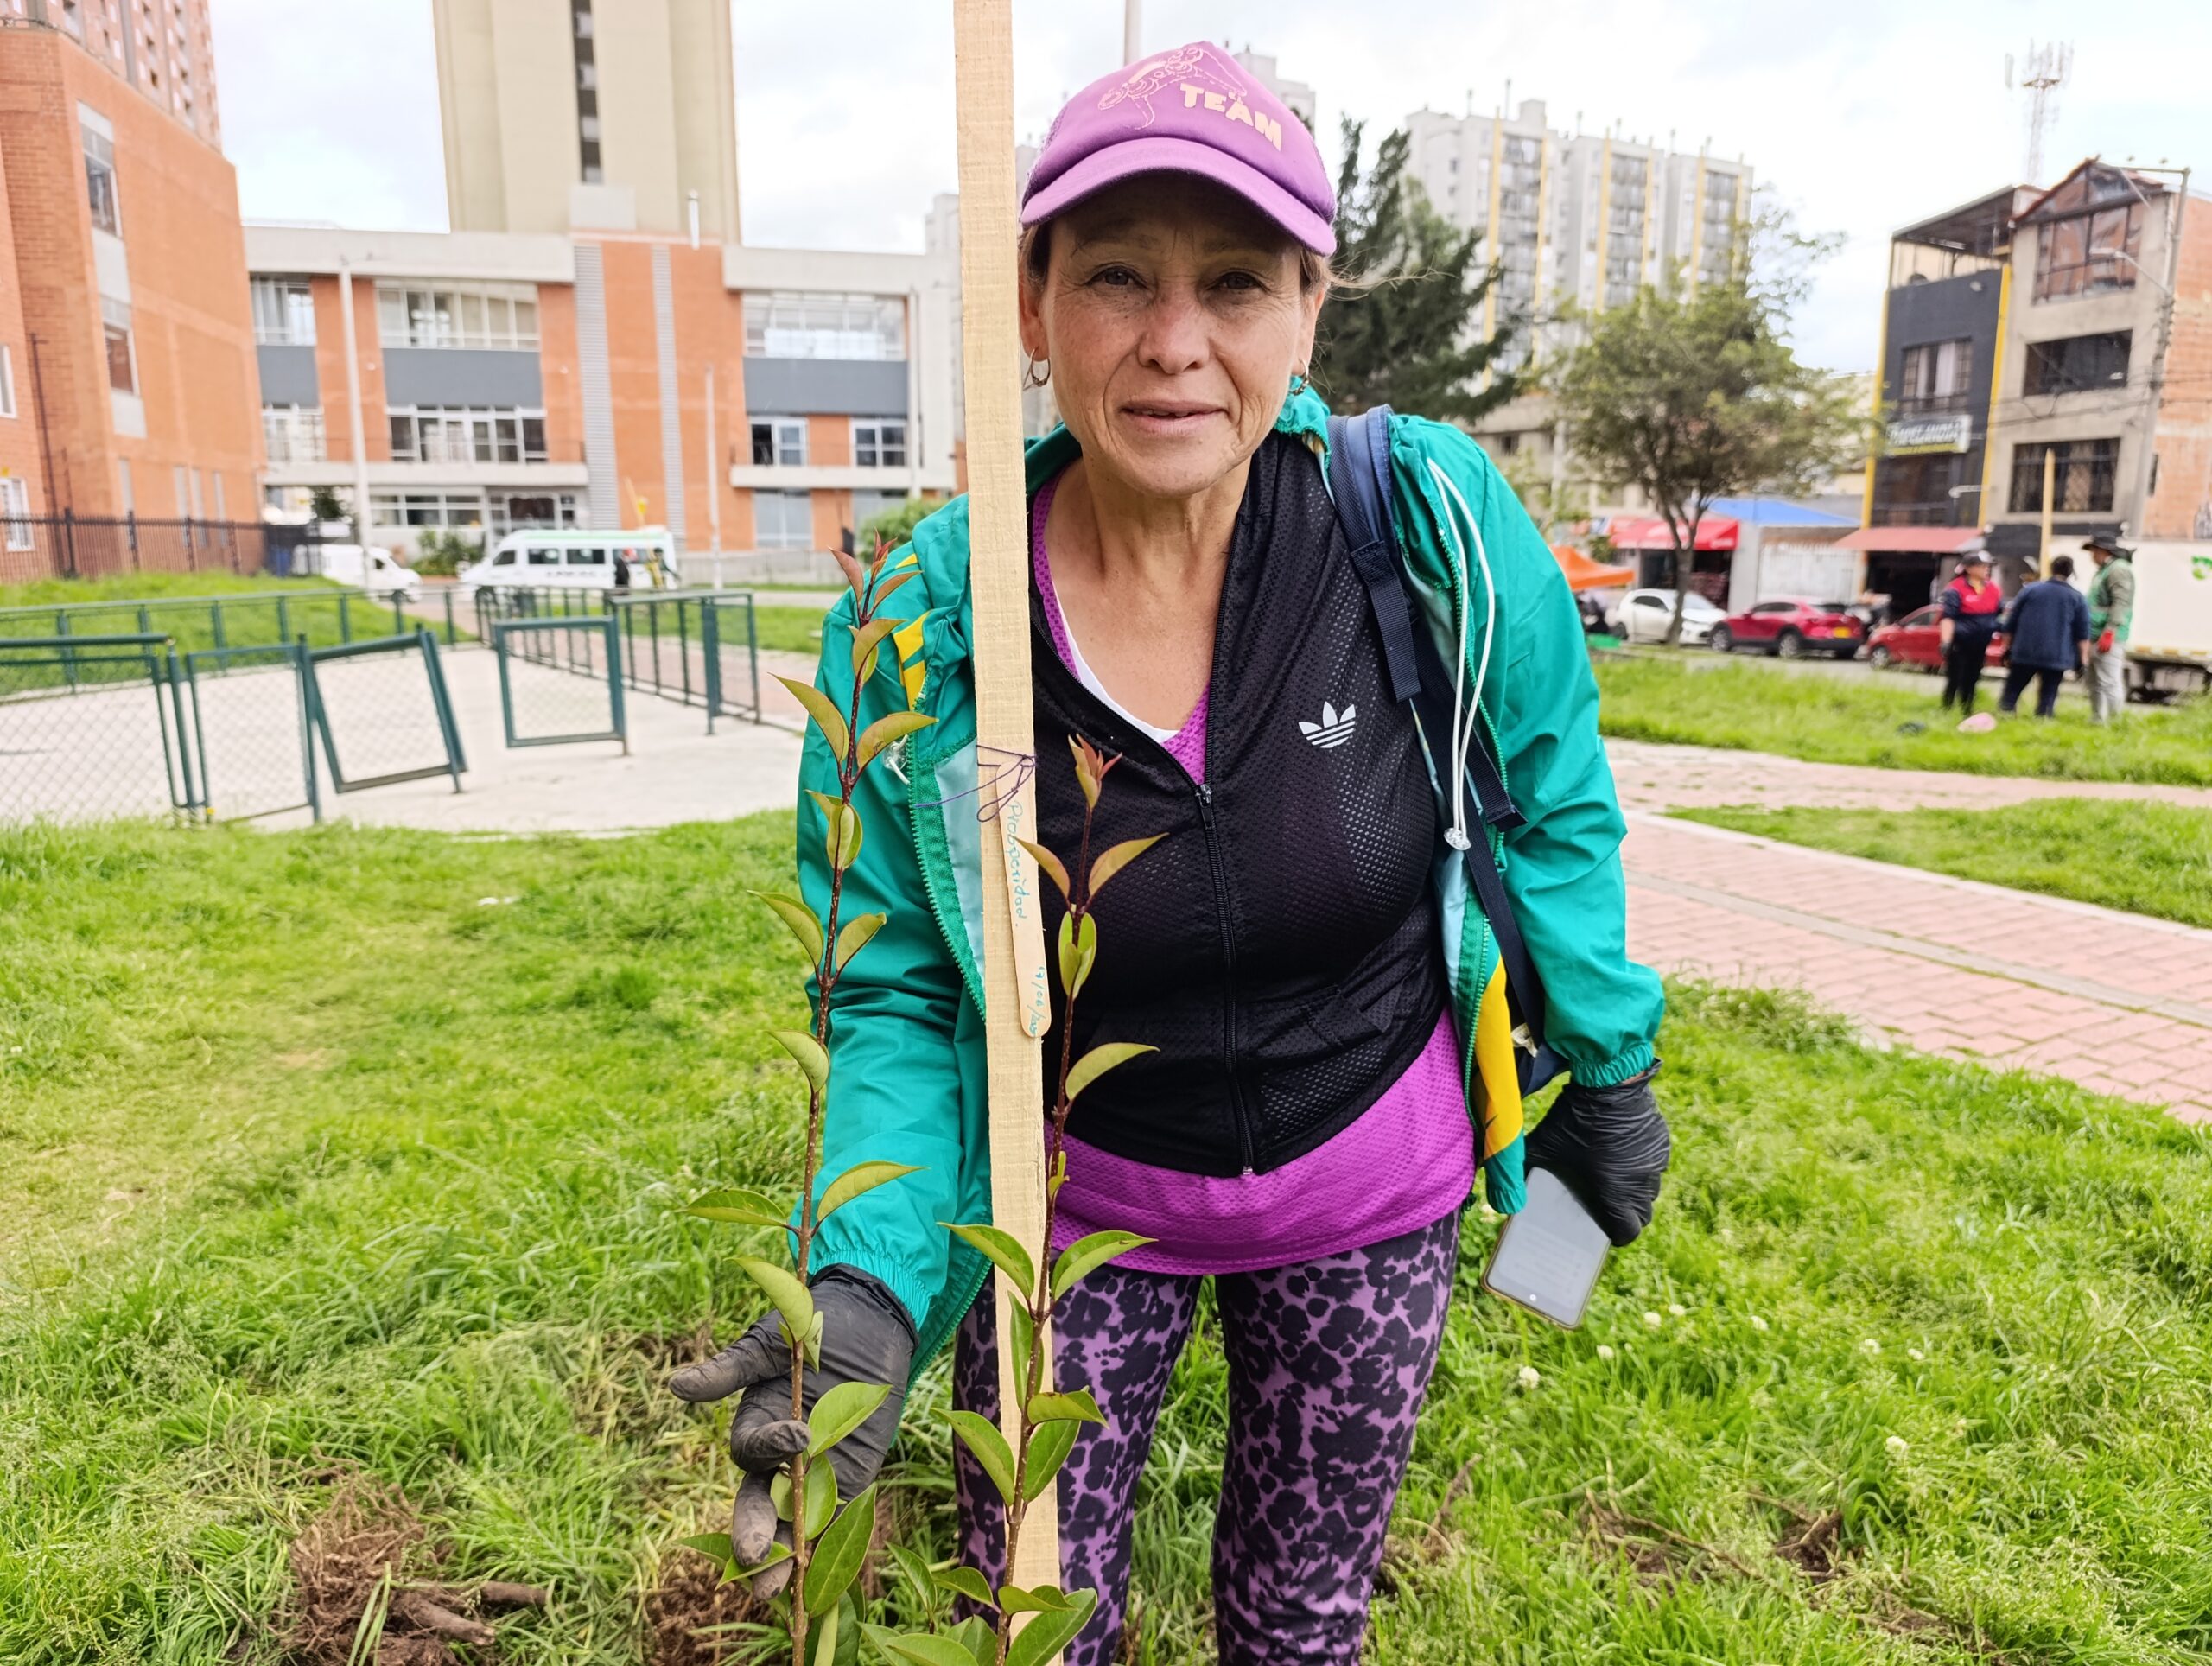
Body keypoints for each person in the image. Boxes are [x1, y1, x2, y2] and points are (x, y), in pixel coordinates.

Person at [670, 45, 1669, 1665]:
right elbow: (904, 990)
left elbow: (1551, 804)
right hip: (1071, 1210)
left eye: (1235, 283)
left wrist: (1607, 1067)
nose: (1174, 342)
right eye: (1119, 273)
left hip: (1372, 1180)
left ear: (1309, 310)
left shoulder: (1423, 525)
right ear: (1029, 298)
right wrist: (860, 1284)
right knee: (1038, 1619)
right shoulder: (929, 622)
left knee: (1300, 1618)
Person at [1997, 555, 2091, 718]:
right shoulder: (2077, 598)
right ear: (2070, 573)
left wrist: (2007, 648)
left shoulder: (2031, 590)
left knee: (2012, 691)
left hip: (2025, 651)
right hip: (2057, 656)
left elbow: (2011, 623)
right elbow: (2082, 633)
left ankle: (2005, 716)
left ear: (2051, 569)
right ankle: (2042, 721)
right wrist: (2083, 660)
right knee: (2048, 695)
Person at [1936, 551, 2003, 713]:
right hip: (1960, 643)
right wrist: (1946, 641)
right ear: (1969, 568)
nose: (1987, 569)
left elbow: (1999, 615)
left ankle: (1967, 709)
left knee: (1973, 678)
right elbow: (1948, 617)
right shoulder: (1956, 588)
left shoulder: (1993, 589)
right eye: (1982, 566)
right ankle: (1947, 708)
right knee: (1955, 677)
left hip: (1980, 643)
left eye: (1988, 566)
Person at [2084, 532, 2134, 722]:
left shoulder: (2118, 570)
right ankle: (2098, 718)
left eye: (2094, 551)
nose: (2092, 555)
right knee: (2094, 680)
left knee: (2109, 680)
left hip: (2107, 635)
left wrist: (2110, 630)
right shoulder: (2105, 570)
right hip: (2096, 633)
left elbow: (2121, 602)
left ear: (2102, 551)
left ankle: (2115, 720)